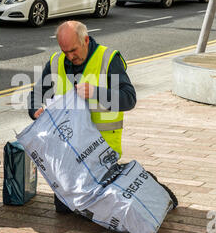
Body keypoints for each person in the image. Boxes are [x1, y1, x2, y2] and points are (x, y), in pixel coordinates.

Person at [27, 21, 137, 213]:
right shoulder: (55, 62)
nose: (70, 56)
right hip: (69, 155)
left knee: (102, 211)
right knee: (65, 211)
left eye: (74, 50)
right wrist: (35, 110)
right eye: (65, 51)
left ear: (85, 40)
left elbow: (129, 99)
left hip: (101, 152)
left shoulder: (108, 59)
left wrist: (96, 92)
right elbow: (35, 95)